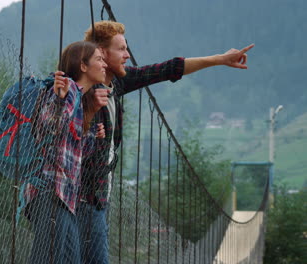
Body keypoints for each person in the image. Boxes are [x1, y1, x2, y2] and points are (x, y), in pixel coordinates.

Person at [77, 20, 255, 263]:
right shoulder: (82, 93)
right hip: (82, 200)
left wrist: (220, 59)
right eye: (121, 49)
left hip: (98, 199)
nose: (128, 54)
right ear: (101, 53)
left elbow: (168, 69)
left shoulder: (116, 83)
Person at [24, 40, 108, 264]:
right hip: (51, 192)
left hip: (66, 198)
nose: (104, 65)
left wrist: (92, 136)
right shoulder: (69, 89)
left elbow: (73, 152)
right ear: (83, 66)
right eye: (99, 59)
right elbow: (49, 126)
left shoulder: (79, 99)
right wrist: (59, 100)